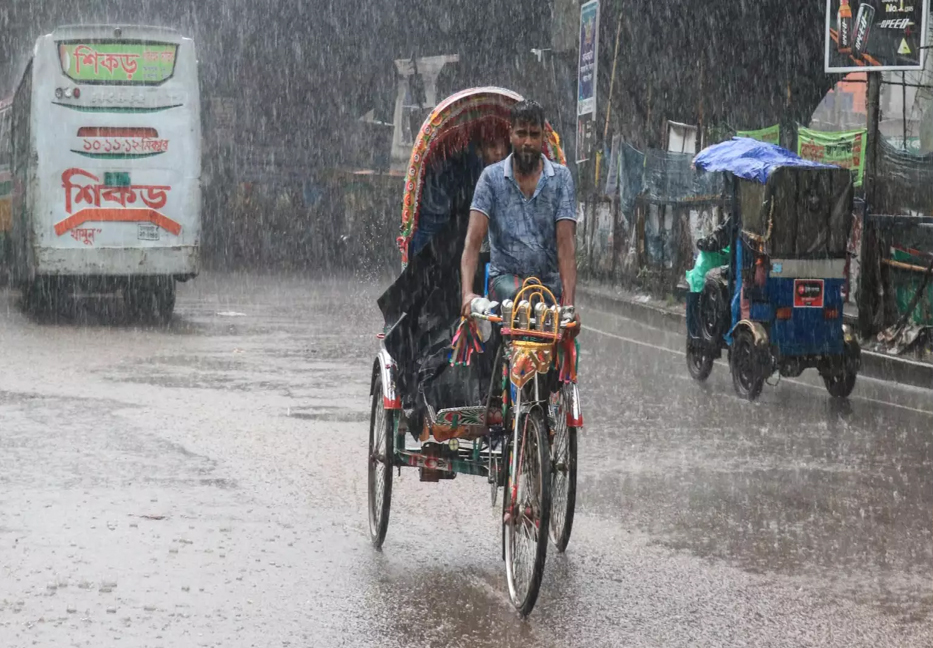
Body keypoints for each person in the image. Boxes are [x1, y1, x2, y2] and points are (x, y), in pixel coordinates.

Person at [460, 100, 578, 314]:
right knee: (525, 297)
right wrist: (467, 294)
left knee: (546, 313)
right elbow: (473, 241)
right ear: (510, 134)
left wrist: (568, 304)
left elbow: (566, 246)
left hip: (549, 291)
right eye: (521, 133)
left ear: (543, 136)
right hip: (504, 285)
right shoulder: (491, 178)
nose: (527, 142)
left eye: (534, 135)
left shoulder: (561, 179)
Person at [410, 130, 509, 257]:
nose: (500, 152)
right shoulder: (455, 171)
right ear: (480, 149)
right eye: (493, 146)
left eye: (503, 145)